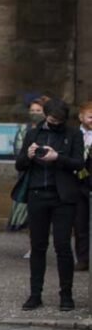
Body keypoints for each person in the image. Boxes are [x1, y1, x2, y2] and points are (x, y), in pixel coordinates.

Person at [14, 98, 84, 311]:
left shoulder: (73, 134)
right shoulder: (34, 134)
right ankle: (35, 294)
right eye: (52, 119)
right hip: (37, 194)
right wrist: (29, 155)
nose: (56, 123)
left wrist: (57, 157)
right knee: (38, 247)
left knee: (62, 246)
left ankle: (66, 295)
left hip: (63, 197)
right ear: (45, 115)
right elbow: (20, 164)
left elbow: (79, 163)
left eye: (59, 120)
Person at [7, 95, 49, 239]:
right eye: (32, 110)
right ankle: (33, 243)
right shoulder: (24, 129)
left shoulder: (48, 129)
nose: (34, 113)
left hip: (43, 173)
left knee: (40, 214)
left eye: (38, 110)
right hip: (26, 173)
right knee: (27, 210)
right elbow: (17, 150)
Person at [74, 101, 92, 272]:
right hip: (78, 185)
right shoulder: (74, 135)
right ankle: (83, 258)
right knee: (80, 224)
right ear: (81, 117)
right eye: (90, 116)